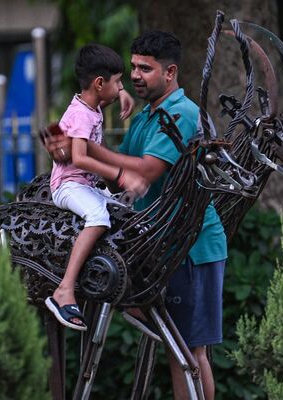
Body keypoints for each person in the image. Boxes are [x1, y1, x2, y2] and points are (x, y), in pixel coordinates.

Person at [43, 31, 227, 399]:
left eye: (145, 68)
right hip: (161, 244)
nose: (136, 76)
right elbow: (117, 173)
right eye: (131, 69)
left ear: (170, 72)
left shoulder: (181, 113)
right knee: (178, 350)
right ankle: (138, 307)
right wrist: (67, 150)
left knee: (190, 352)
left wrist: (87, 149)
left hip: (192, 247)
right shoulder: (146, 116)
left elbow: (145, 171)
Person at [44, 44, 148, 331]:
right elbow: (79, 158)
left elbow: (102, 99)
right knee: (99, 217)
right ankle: (64, 290)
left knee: (126, 216)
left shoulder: (92, 103)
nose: (121, 87)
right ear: (99, 84)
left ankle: (132, 300)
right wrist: (120, 175)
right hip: (68, 186)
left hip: (85, 186)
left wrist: (122, 93)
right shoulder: (81, 116)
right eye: (117, 81)